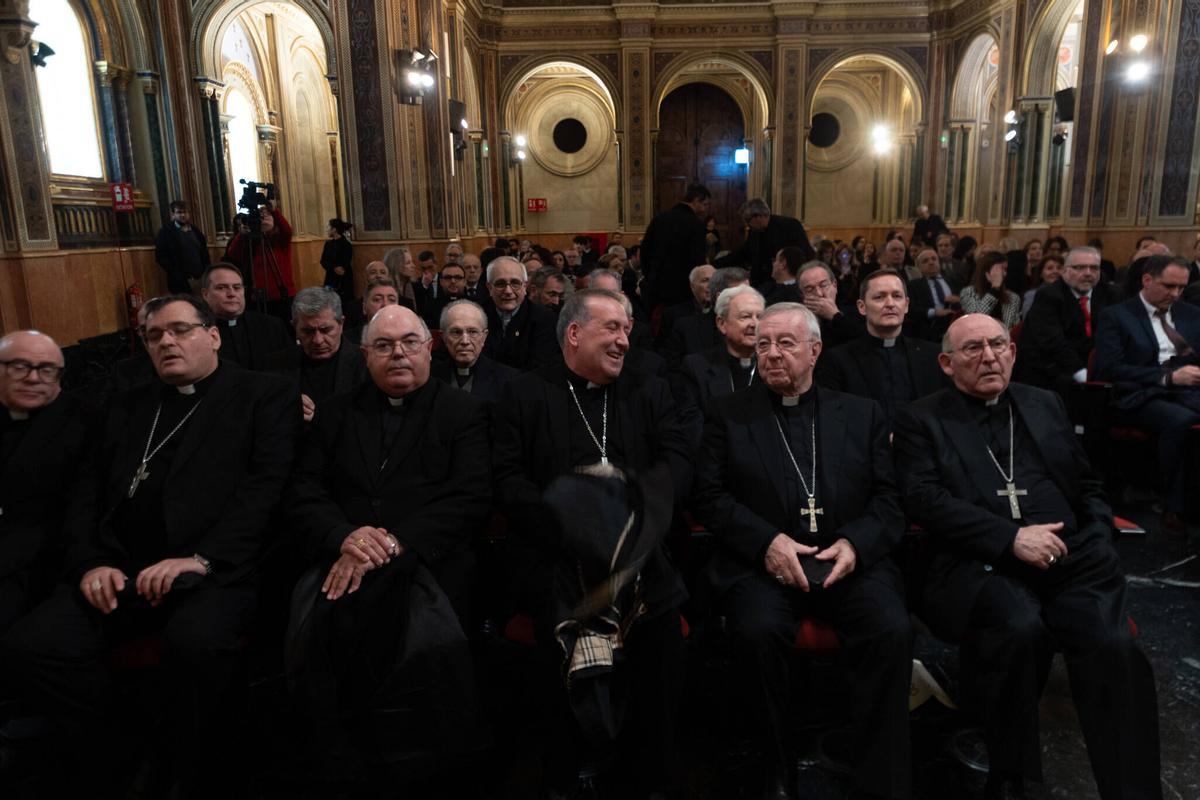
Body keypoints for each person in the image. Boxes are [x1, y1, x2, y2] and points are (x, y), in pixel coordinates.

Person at [1, 294, 295, 795]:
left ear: (213, 335)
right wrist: (92, 562)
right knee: (36, 644)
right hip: (123, 570)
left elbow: (266, 490)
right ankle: (119, 747)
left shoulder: (263, 395)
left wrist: (201, 559)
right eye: (155, 335)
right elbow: (86, 494)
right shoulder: (126, 403)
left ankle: (195, 768)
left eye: (180, 330)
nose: (167, 342)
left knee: (195, 643)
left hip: (214, 572)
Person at [893, 314, 1162, 800]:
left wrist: (1098, 534)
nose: (990, 356)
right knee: (1018, 627)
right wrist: (1009, 539)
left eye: (998, 345)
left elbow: (1088, 485)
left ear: (1013, 353)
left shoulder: (1044, 403)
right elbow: (924, 500)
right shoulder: (920, 418)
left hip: (1072, 558)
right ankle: (1013, 778)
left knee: (1114, 648)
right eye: (973, 349)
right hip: (976, 561)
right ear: (946, 364)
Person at [693, 302, 912, 800]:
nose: (771, 354)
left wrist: (855, 545)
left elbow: (889, 499)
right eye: (763, 344)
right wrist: (767, 543)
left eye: (785, 344)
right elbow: (709, 497)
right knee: (755, 630)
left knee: (892, 629)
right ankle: (773, 767)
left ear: (815, 350)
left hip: (849, 562)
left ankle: (883, 777)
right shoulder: (727, 414)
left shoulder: (861, 413)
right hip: (762, 563)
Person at [492, 289, 691, 797]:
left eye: (628, 329)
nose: (626, 340)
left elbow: (677, 461)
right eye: (613, 329)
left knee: (661, 629)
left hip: (639, 549)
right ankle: (565, 767)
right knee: (555, 631)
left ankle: (650, 770)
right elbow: (509, 480)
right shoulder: (524, 392)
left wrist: (636, 524)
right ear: (575, 334)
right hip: (553, 552)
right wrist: (568, 528)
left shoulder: (648, 389)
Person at [285, 304, 489, 786]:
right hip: (344, 554)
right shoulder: (335, 413)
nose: (398, 353)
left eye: (409, 343)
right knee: (318, 627)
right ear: (365, 355)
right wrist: (346, 536)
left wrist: (397, 542)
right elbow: (303, 490)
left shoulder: (466, 412)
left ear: (428, 347)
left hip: (429, 557)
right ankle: (343, 757)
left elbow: (471, 496)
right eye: (383, 345)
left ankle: (424, 763)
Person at [1094, 256, 1200, 537]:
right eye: (1169, 286)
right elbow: (1110, 368)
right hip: (1138, 395)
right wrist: (1167, 377)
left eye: (1181, 287)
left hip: (1189, 390)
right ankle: (1173, 506)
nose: (1175, 294)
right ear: (1147, 280)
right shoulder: (1117, 316)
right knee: (1182, 420)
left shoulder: (1190, 314)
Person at [0, 331, 88, 634]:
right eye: (19, 366)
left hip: (40, 564)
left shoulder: (86, 421)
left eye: (47, 369)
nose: (33, 378)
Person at [817, 270, 944, 429]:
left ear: (906, 305)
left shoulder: (932, 355)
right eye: (879, 297)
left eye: (897, 296)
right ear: (862, 307)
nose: (890, 303)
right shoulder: (837, 361)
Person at [671, 285, 764, 450]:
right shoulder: (696, 367)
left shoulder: (772, 366)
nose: (754, 324)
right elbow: (694, 429)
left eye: (760, 317)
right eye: (745, 316)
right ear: (722, 323)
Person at [1016, 248, 1116, 394]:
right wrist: (1083, 375)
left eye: (1094, 268)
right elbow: (1053, 343)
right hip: (1050, 369)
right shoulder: (1048, 296)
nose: (1088, 273)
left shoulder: (1110, 293)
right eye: (1079, 268)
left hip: (1094, 366)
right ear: (1065, 271)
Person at [271, 287, 366, 424]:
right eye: (308, 331)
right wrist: (286, 404)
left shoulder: (365, 362)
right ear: (294, 328)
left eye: (325, 330)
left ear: (341, 324)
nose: (318, 340)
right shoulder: (276, 364)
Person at [199, 263, 293, 371]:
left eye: (237, 287)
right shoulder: (197, 332)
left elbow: (290, 369)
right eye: (221, 288)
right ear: (205, 294)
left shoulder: (272, 326)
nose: (231, 294)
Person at [431, 299, 520, 404]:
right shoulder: (430, 378)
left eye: (473, 332)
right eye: (456, 332)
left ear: (484, 337)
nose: (465, 341)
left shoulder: (509, 381)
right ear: (444, 337)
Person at [480, 256, 559, 372]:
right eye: (500, 284)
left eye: (515, 283)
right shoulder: (476, 315)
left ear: (524, 287)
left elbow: (540, 367)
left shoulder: (545, 319)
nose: (508, 291)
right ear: (489, 288)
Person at [661, 267, 750, 367]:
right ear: (720, 297)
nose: (748, 300)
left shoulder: (757, 328)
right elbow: (673, 371)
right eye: (740, 294)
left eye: (750, 293)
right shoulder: (686, 328)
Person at [715, 198, 815, 287]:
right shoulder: (754, 232)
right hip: (761, 284)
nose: (747, 225)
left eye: (748, 220)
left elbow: (805, 254)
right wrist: (716, 264)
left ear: (758, 216)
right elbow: (743, 253)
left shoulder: (790, 226)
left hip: (785, 284)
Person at [640, 183, 710, 308]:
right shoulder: (696, 224)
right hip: (683, 289)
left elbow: (645, 252)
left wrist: (650, 275)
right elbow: (697, 260)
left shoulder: (659, 219)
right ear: (696, 201)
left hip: (657, 286)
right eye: (705, 204)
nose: (705, 210)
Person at [225, 200, 295, 319]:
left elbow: (287, 230)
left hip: (281, 294)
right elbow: (233, 255)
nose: (263, 218)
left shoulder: (280, 239)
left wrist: (274, 211)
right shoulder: (250, 240)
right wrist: (241, 235)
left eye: (267, 215)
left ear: (275, 220)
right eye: (260, 216)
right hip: (257, 295)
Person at [797, 262, 865, 349]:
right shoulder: (798, 322)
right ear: (802, 295)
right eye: (810, 289)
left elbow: (865, 345)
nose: (819, 294)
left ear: (835, 285)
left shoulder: (856, 313)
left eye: (823, 285)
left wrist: (835, 316)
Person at [906, 247, 962, 342]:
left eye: (934, 259)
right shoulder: (914, 285)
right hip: (927, 330)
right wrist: (934, 312)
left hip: (954, 327)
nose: (931, 262)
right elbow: (911, 310)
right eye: (925, 261)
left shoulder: (952, 281)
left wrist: (959, 300)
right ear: (918, 267)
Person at [154, 200, 211, 294]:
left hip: (199, 277)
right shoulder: (166, 232)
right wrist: (174, 271)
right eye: (179, 212)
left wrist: (206, 271)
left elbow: (204, 253)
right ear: (173, 214)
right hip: (180, 280)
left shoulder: (196, 231)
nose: (183, 215)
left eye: (185, 212)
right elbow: (160, 255)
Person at [656, 264, 714, 349]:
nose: (711, 285)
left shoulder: (724, 314)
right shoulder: (673, 315)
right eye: (705, 280)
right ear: (692, 286)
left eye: (714, 281)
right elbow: (662, 350)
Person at [959, 251, 1020, 330]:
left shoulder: (1013, 298)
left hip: (1002, 340)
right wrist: (994, 290)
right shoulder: (968, 293)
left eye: (1005, 269)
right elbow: (975, 322)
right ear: (986, 272)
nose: (1004, 274)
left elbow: (1014, 329)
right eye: (998, 270)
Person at [344, 277, 402, 345]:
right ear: (364, 307)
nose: (385, 305)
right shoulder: (347, 341)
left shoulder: (408, 338)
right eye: (377, 299)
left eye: (391, 300)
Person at [320, 218, 355, 314]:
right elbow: (323, 261)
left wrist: (340, 268)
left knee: (345, 305)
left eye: (328, 227)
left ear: (334, 229)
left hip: (344, 279)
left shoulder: (346, 244)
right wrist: (333, 268)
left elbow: (346, 262)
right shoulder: (328, 244)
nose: (327, 229)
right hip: (330, 278)